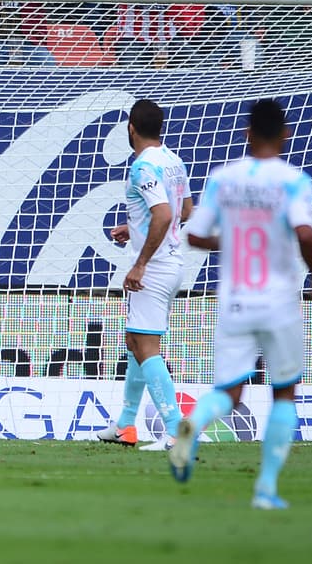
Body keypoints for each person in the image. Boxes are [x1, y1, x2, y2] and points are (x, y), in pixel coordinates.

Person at [172, 98, 312, 511]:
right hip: (278, 302)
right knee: (284, 394)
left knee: (229, 391)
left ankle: (192, 424)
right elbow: (306, 234)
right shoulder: (293, 180)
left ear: (246, 133)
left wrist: (231, 240)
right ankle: (265, 489)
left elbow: (193, 236)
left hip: (235, 300)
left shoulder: (224, 178)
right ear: (285, 134)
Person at [97, 100, 192, 450]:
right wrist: (135, 227)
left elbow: (165, 215)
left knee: (145, 346)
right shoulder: (173, 160)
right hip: (172, 263)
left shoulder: (143, 166)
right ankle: (125, 425)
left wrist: (140, 263)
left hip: (154, 268)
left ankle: (176, 428)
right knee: (134, 341)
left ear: (131, 129)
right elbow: (187, 210)